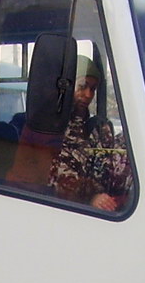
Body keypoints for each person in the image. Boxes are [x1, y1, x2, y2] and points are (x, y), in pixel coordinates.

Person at [47, 57, 133, 211]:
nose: (88, 94)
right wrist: (90, 197)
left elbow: (110, 168)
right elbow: (54, 176)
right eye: (82, 86)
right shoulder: (51, 125)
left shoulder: (97, 128)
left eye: (92, 89)